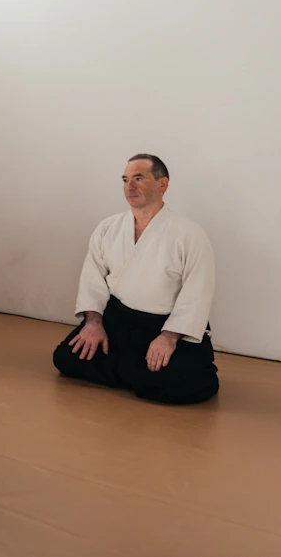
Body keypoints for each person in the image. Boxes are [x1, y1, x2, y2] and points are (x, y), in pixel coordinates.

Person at [52, 154, 219, 404]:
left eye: (139, 178)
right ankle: (138, 375)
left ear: (162, 184)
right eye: (125, 179)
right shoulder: (108, 227)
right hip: (117, 321)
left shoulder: (189, 233)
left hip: (162, 326)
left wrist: (169, 338)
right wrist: (93, 323)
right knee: (66, 358)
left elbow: (198, 290)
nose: (130, 187)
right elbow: (93, 278)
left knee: (186, 384)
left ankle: (130, 372)